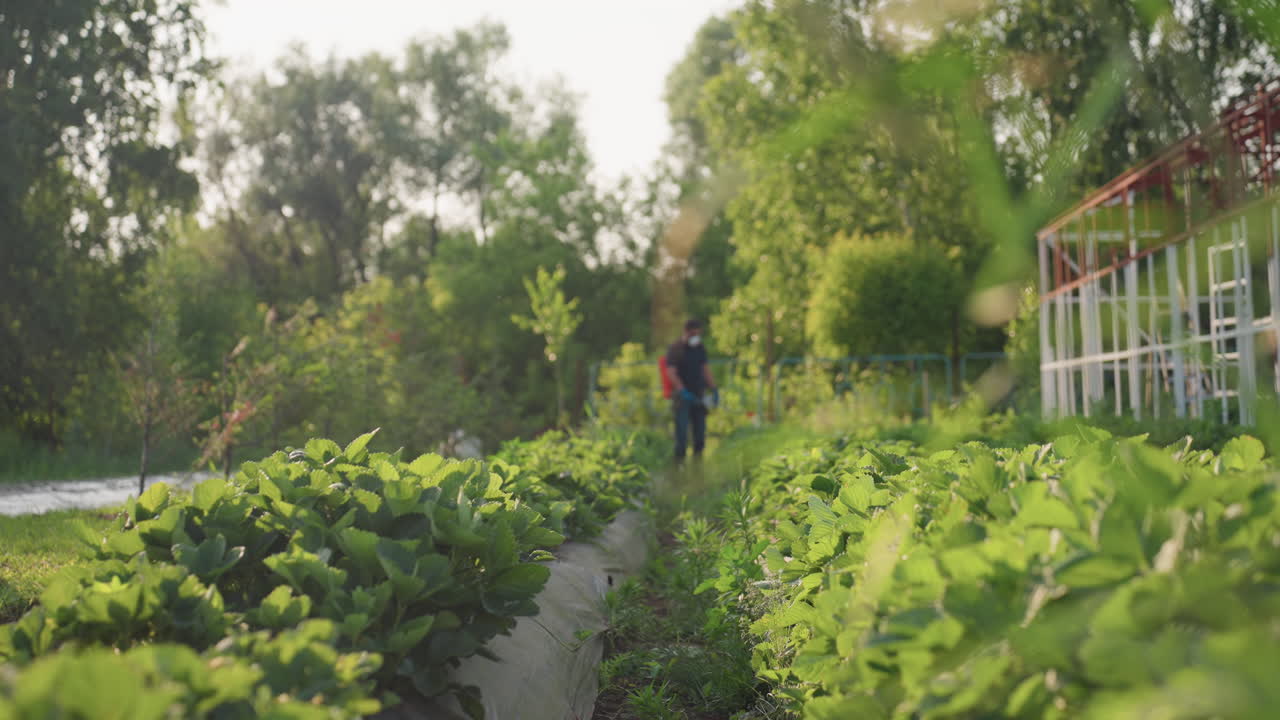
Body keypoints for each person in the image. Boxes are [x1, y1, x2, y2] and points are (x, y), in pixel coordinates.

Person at [666, 319, 716, 463]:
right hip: (682, 398)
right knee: (681, 436)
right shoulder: (676, 349)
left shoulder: (700, 348)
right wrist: (682, 390)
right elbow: (671, 372)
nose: (696, 337)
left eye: (698, 334)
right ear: (686, 332)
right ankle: (679, 466)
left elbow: (705, 369)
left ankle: (697, 467)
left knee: (700, 436)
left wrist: (714, 388)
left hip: (699, 395)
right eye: (693, 334)